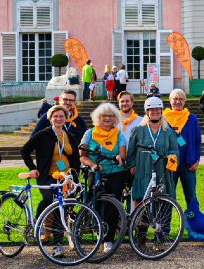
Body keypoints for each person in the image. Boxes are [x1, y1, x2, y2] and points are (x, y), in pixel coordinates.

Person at [20, 105, 81, 258]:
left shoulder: (69, 136)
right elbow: (25, 151)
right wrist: (32, 168)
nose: (58, 119)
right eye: (55, 116)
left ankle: (58, 246)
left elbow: (75, 158)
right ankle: (38, 220)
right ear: (50, 118)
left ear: (66, 118)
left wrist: (75, 176)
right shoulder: (44, 134)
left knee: (61, 208)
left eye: (61, 116)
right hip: (47, 175)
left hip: (65, 176)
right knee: (49, 199)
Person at [164, 88, 204, 242]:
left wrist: (196, 160)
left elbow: (197, 141)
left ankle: (196, 229)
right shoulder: (164, 118)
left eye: (181, 99)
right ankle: (165, 230)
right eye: (175, 98)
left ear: (185, 101)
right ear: (170, 100)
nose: (178, 101)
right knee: (168, 197)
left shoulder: (191, 118)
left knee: (191, 198)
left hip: (188, 165)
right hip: (170, 166)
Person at [79, 103, 128, 255]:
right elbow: (82, 155)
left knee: (114, 207)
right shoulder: (89, 133)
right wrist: (93, 165)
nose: (107, 119)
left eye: (111, 116)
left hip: (116, 173)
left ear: (115, 118)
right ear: (98, 118)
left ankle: (108, 239)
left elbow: (122, 154)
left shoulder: (119, 134)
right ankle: (97, 232)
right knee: (98, 205)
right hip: (96, 171)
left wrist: (120, 157)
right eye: (104, 116)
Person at [126, 96, 179, 210]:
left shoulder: (168, 132)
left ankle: (162, 227)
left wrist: (173, 157)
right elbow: (131, 150)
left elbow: (174, 149)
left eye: (157, 109)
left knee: (163, 199)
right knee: (141, 199)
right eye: (151, 109)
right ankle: (140, 226)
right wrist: (131, 165)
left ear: (161, 111)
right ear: (147, 112)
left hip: (162, 169)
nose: (154, 111)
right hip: (143, 168)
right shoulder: (138, 130)